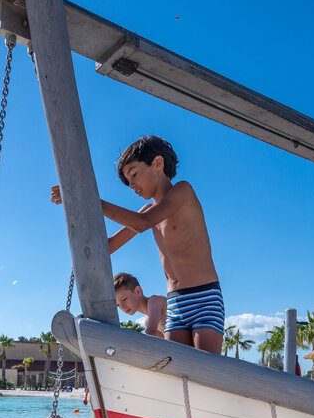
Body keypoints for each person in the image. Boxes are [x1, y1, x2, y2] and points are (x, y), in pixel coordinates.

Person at [51, 135, 223, 354]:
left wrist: (88, 198)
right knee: (179, 372)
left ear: (158, 164)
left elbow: (142, 224)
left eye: (134, 175)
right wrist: (74, 204)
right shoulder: (146, 212)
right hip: (177, 303)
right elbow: (109, 246)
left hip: (204, 297)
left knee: (206, 370)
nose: (132, 185)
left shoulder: (182, 191)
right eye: (128, 181)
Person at [112, 272, 167, 338]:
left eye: (124, 299)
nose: (122, 307)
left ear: (138, 291)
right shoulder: (147, 321)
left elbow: (150, 334)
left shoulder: (155, 300)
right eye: (118, 305)